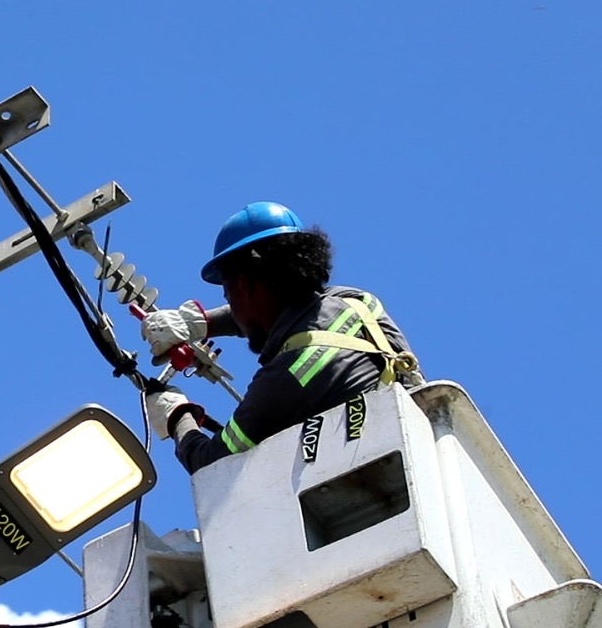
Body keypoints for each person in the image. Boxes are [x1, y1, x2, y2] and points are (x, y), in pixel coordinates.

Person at [141, 201, 421, 474]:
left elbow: (211, 465)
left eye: (228, 296)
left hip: (374, 487)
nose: (231, 307)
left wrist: (177, 416)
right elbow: (285, 312)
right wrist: (199, 324)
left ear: (243, 285)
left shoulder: (290, 375)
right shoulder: (358, 302)